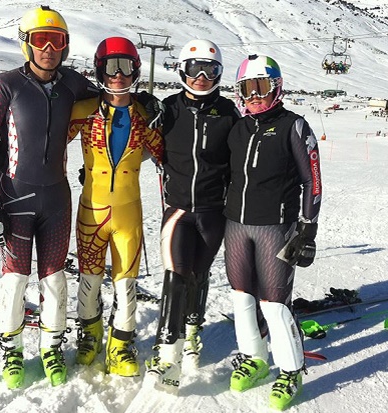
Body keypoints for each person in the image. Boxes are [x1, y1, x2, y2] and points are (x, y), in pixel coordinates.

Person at [0, 6, 99, 389]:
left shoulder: (73, 84)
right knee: (14, 279)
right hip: (14, 197)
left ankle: (51, 347)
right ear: (26, 44)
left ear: (65, 45)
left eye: (56, 40)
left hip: (57, 197)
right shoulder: (4, 84)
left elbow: (110, 105)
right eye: (40, 40)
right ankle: (11, 351)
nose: (48, 48)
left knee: (54, 278)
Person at [223, 54, 322, 411]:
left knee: (274, 305)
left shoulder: (294, 126)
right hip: (235, 225)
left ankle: (291, 370)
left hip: (276, 228)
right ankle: (255, 358)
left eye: (261, 86)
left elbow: (312, 179)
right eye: (247, 89)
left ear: (276, 87)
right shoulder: (237, 128)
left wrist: (307, 228)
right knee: (241, 298)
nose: (254, 95)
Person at [143, 39, 240, 393]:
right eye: (195, 69)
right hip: (179, 211)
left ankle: (192, 334)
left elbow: (243, 162)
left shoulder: (229, 113)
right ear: (182, 70)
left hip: (214, 212)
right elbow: (141, 142)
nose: (202, 77)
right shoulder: (168, 109)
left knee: (199, 274)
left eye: (210, 70)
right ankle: (168, 351)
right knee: (176, 275)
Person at [67, 36, 164, 378]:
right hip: (91, 210)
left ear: (136, 69)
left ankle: (121, 343)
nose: (118, 75)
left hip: (128, 213)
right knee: (89, 279)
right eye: (111, 67)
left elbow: (171, 154)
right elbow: (44, 138)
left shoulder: (144, 115)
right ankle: (89, 334)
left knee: (126, 283)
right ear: (99, 70)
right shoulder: (84, 110)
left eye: (125, 67)